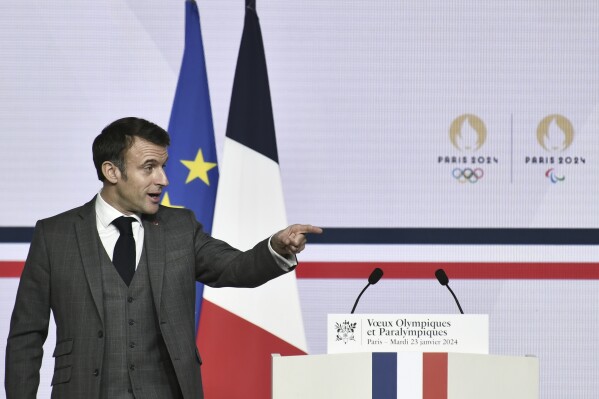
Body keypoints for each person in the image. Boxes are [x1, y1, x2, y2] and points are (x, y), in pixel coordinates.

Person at [5, 117, 322, 399]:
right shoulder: (54, 235)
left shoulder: (180, 227)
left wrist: (276, 248)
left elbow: (235, 267)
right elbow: (25, 336)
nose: (163, 180)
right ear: (111, 171)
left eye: (163, 166)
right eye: (149, 167)